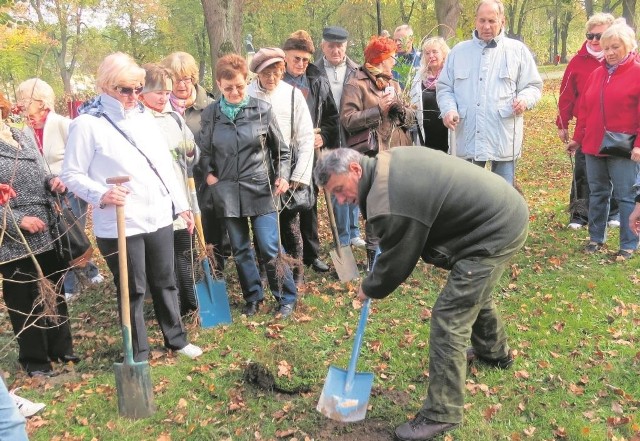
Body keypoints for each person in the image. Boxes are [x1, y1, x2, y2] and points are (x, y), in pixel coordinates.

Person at [314, 146, 529, 441]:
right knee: (474, 292)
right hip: (497, 212)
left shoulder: (388, 198)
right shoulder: (383, 164)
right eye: (334, 195)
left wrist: (370, 287)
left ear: (355, 170)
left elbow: (399, 259)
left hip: (495, 228)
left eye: (339, 190)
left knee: (450, 317)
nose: (340, 200)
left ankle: (442, 413)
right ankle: (494, 354)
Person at [61, 52, 202, 361]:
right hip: (120, 222)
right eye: (126, 89)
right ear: (106, 86)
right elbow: (70, 173)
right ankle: (137, 350)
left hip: (158, 215)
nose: (133, 96)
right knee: (133, 288)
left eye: (138, 88)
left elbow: (163, 165)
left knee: (165, 281)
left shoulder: (143, 118)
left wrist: (181, 205)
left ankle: (176, 339)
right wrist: (101, 194)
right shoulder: (87, 123)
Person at [199, 54, 298, 318]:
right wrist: (209, 175)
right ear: (219, 84)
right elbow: (204, 152)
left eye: (239, 87)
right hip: (228, 192)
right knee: (241, 250)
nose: (234, 92)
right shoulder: (210, 115)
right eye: (228, 87)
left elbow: (283, 152)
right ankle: (253, 297)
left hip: (261, 188)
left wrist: (284, 176)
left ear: (247, 82)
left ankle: (286, 297)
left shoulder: (261, 110)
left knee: (268, 246)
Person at [0, 91, 78, 377]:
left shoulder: (22, 134)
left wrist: (53, 181)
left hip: (47, 224)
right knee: (24, 297)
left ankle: (61, 348)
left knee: (54, 289)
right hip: (14, 237)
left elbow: (42, 169)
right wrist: (16, 220)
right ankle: (34, 360)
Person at [16, 78, 104, 300]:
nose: (22, 106)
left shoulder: (64, 124)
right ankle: (81, 277)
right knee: (57, 237)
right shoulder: (24, 133)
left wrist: (70, 180)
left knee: (70, 234)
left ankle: (73, 285)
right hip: (44, 195)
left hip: (69, 190)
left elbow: (83, 156)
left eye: (26, 101)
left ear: (42, 102)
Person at [437, 0, 542, 186]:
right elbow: (445, 88)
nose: (486, 26)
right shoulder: (458, 52)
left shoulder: (517, 51)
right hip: (467, 137)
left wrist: (524, 100)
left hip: (502, 137)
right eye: (482, 20)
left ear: (502, 21)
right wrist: (448, 110)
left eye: (492, 21)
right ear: (475, 21)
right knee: (467, 195)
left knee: (503, 196)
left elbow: (533, 86)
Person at [566, 20, 640, 261]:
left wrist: (639, 145)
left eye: (615, 47)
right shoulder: (597, 74)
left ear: (628, 46)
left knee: (625, 195)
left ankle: (629, 244)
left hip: (624, 147)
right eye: (606, 48)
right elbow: (585, 111)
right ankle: (596, 238)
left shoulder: (637, 73)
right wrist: (578, 139)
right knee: (597, 193)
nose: (609, 52)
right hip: (593, 145)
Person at [341, 35, 415, 270]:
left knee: (395, 204)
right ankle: (374, 262)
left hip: (397, 153)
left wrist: (400, 108)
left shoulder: (394, 84)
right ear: (381, 59)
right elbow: (347, 120)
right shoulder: (356, 83)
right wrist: (378, 110)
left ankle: (392, 256)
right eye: (391, 57)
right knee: (375, 207)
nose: (395, 61)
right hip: (371, 154)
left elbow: (411, 119)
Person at [247, 47, 315, 285]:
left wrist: (299, 175)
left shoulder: (293, 95)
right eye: (267, 74)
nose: (272, 78)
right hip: (257, 170)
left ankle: (297, 272)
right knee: (261, 225)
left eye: (277, 72)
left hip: (287, 169)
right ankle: (266, 271)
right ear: (257, 73)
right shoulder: (247, 95)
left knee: (289, 224)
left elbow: (306, 137)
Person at [140, 63, 200, 316]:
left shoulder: (173, 116)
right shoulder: (139, 120)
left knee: (185, 250)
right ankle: (170, 306)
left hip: (182, 193)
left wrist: (190, 150)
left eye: (166, 93)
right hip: (155, 200)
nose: (164, 97)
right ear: (142, 93)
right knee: (163, 259)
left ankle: (191, 302)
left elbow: (193, 153)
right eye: (159, 93)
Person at [161, 51, 227, 270]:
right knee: (181, 227)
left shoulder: (210, 105)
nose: (181, 84)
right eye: (176, 79)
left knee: (210, 224)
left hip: (206, 177)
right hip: (176, 180)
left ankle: (215, 267)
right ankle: (189, 270)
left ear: (194, 78)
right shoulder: (160, 110)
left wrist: (212, 173)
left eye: (186, 78)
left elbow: (219, 143)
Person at [282, 29, 339, 273]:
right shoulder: (276, 81)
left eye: (305, 59)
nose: (301, 64)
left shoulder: (317, 81)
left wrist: (323, 136)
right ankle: (287, 254)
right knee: (284, 206)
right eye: (296, 58)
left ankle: (311, 254)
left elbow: (332, 118)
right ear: (285, 56)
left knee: (309, 204)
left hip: (310, 155)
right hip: (283, 154)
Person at [556, 13, 619, 230]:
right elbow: (566, 95)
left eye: (598, 36)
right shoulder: (577, 61)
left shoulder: (623, 60)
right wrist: (562, 123)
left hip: (618, 126)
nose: (593, 40)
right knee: (584, 170)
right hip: (586, 126)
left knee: (616, 169)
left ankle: (615, 212)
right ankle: (580, 213)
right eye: (589, 35)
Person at [315, 25, 365, 249]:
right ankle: (342, 236)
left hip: (352, 136)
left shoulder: (357, 70)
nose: (336, 50)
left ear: (346, 46)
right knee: (337, 184)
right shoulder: (313, 71)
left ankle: (354, 231)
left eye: (340, 46)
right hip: (328, 136)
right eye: (331, 46)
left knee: (354, 180)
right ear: (323, 46)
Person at [409, 37, 451, 152]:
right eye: (427, 53)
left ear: (444, 54)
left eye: (435, 52)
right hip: (426, 134)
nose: (431, 56)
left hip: (447, 131)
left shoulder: (450, 75)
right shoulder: (418, 77)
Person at [392, 24, 421, 90]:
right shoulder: (392, 63)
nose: (397, 43)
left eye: (401, 40)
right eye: (395, 40)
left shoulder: (422, 59)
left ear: (411, 39)